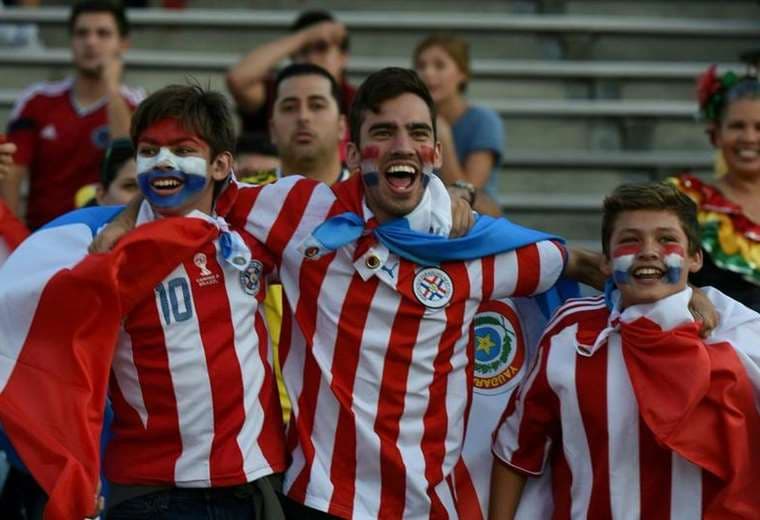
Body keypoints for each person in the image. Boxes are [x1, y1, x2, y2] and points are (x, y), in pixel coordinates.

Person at [0, 84, 288, 519]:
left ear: (220, 164)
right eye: (149, 151)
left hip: (252, 486)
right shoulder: (101, 247)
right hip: (152, 495)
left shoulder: (251, 225)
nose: (164, 162)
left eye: (182, 148)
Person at [490, 182, 760, 519]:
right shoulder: (569, 333)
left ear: (695, 258)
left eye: (666, 240)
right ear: (605, 262)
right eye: (630, 240)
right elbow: (516, 451)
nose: (648, 251)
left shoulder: (739, 336)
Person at [1, 0, 143, 229]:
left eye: (103, 34)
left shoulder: (138, 105)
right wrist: (14, 236)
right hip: (43, 238)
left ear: (123, 45)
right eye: (82, 33)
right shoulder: (36, 101)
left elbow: (127, 156)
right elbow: (11, 173)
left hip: (108, 240)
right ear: (71, 41)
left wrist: (111, 88)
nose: (91, 42)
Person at [671, 66, 760, 311]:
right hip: (716, 344)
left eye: (759, 127)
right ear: (716, 134)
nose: (749, 138)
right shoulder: (686, 203)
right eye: (737, 126)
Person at [226, 10, 354, 156]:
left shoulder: (357, 101)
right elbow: (238, 79)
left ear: (343, 57)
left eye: (321, 48)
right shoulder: (275, 93)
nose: (303, 118)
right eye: (289, 107)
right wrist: (306, 36)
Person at [414, 34, 505, 216]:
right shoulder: (413, 119)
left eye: (439, 65)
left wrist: (444, 139)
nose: (428, 73)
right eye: (421, 66)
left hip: (475, 222)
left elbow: (466, 194)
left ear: (462, 73)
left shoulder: (483, 121)